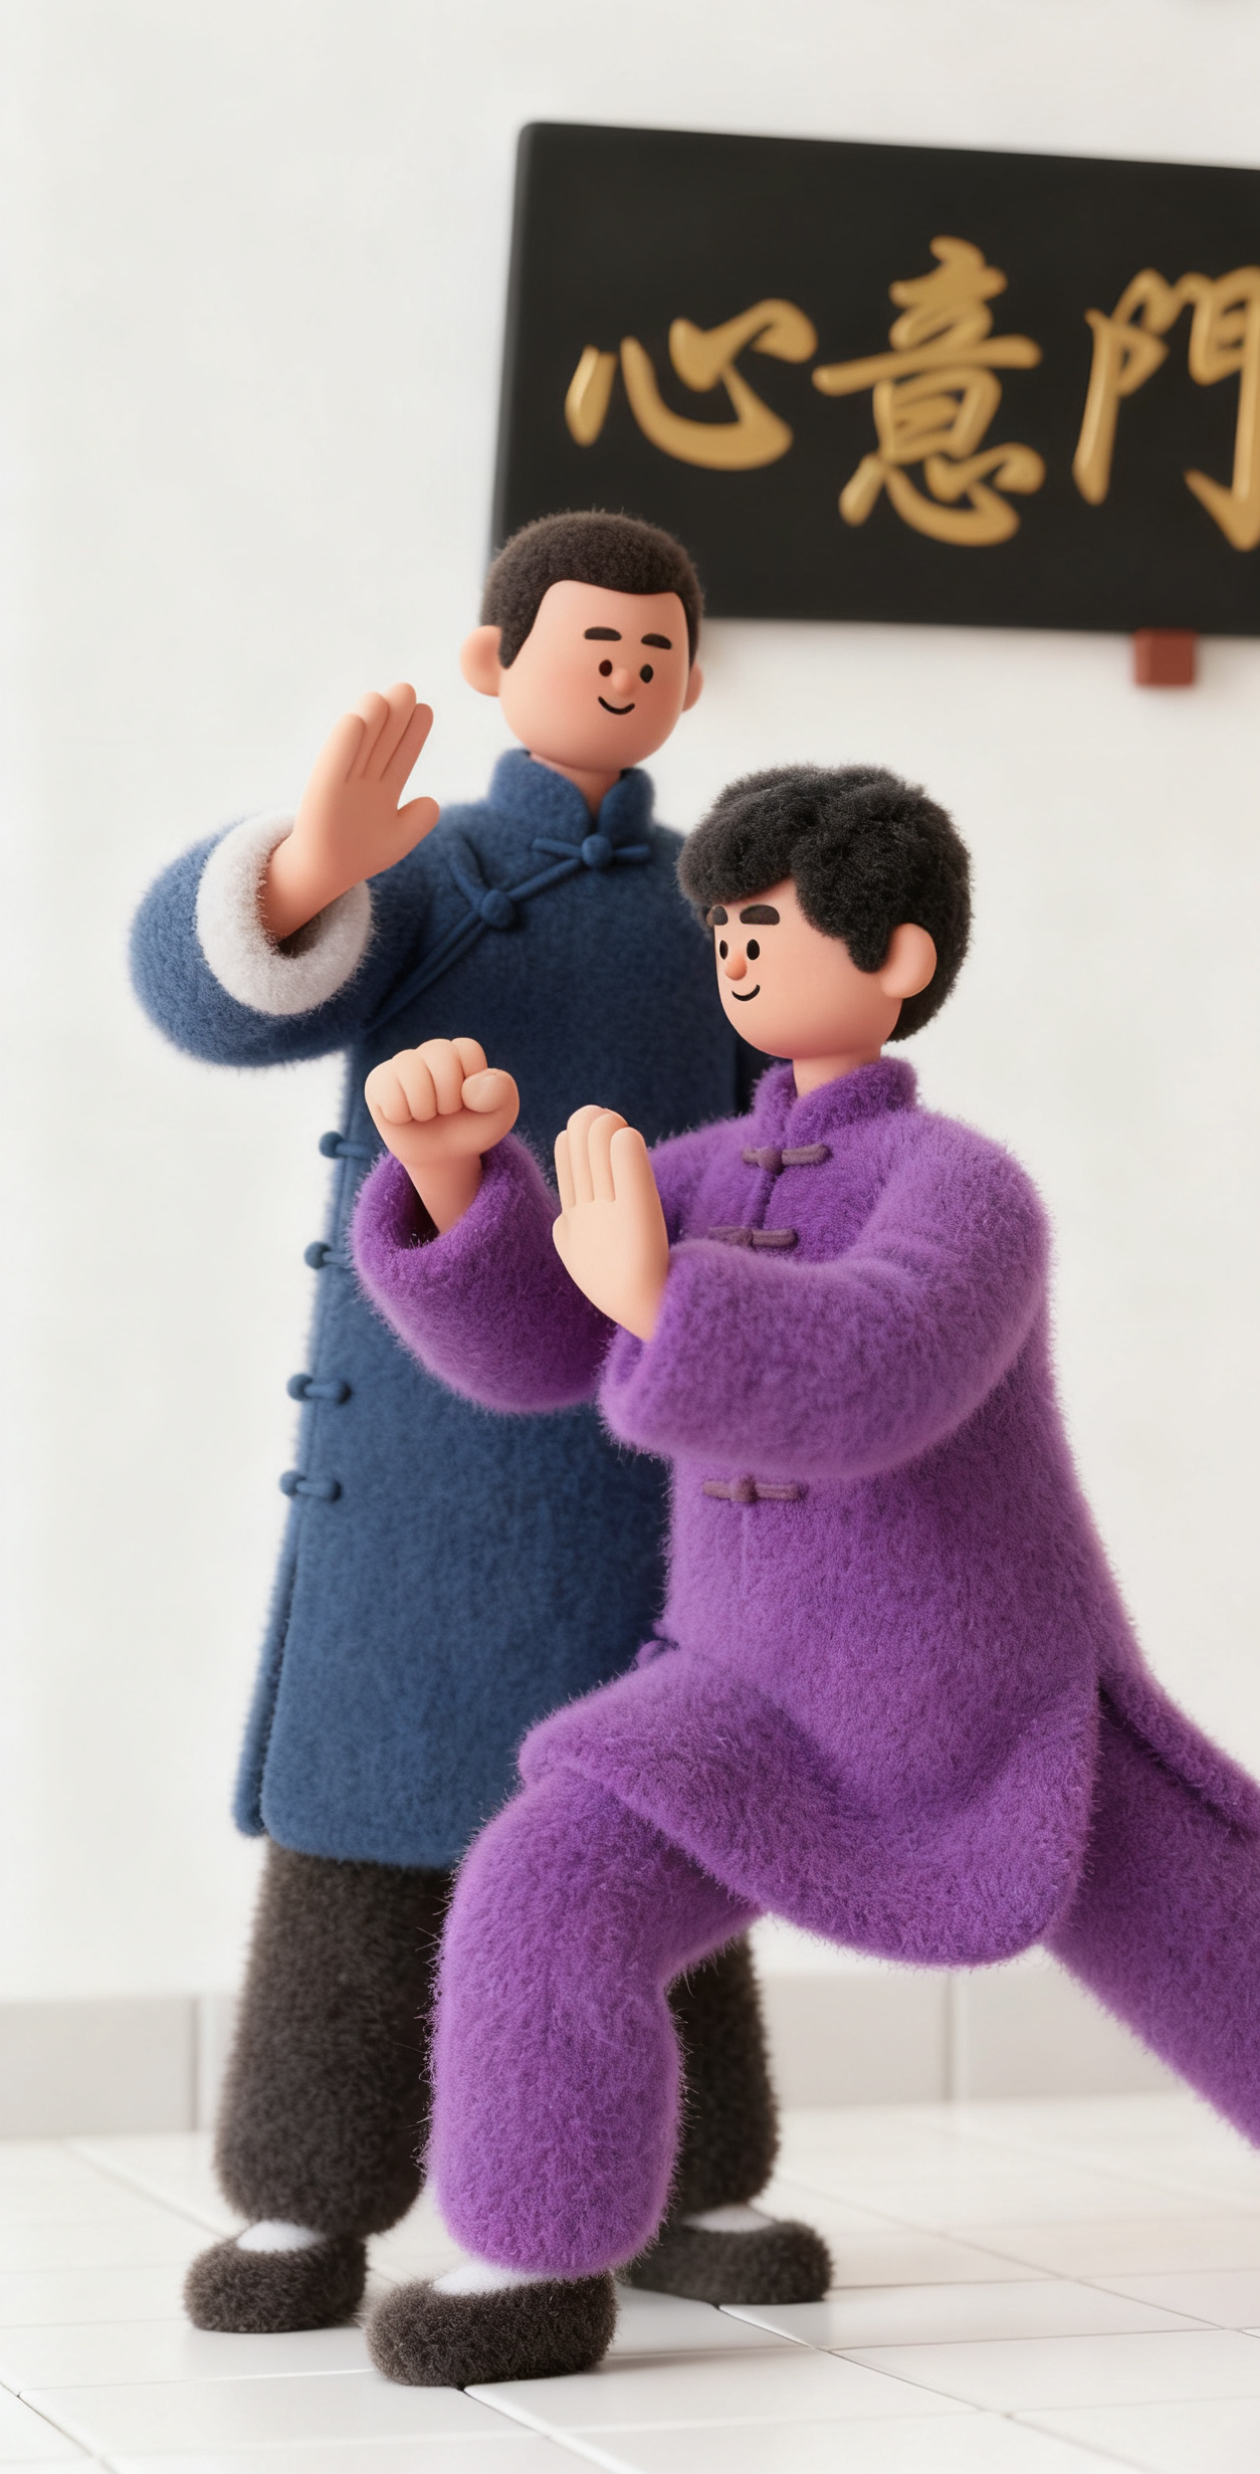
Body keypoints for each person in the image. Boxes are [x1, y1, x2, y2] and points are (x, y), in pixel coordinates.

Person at [350, 762, 1260, 2387]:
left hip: (990, 1702)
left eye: (769, 925)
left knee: (1234, 1959)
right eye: (726, 928)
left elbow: (887, 1365)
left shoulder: (962, 1189)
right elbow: (532, 1353)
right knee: (545, 1882)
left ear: (900, 956)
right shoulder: (696, 1172)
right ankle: (532, 2257)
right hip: (736, 1693)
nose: (736, 954)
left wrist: (662, 1292)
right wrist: (454, 1189)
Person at [129, 513, 826, 2336]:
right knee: (372, 1812)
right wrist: (303, 868)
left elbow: (793, 1125)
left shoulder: (719, 908)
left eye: (656, 650)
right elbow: (210, 1005)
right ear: (492, 665)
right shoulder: (424, 873)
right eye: (595, 642)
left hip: (639, 1433)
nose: (627, 672)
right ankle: (307, 2201)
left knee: (649, 1807)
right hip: (417, 1449)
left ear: (691, 681)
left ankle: (688, 2177)